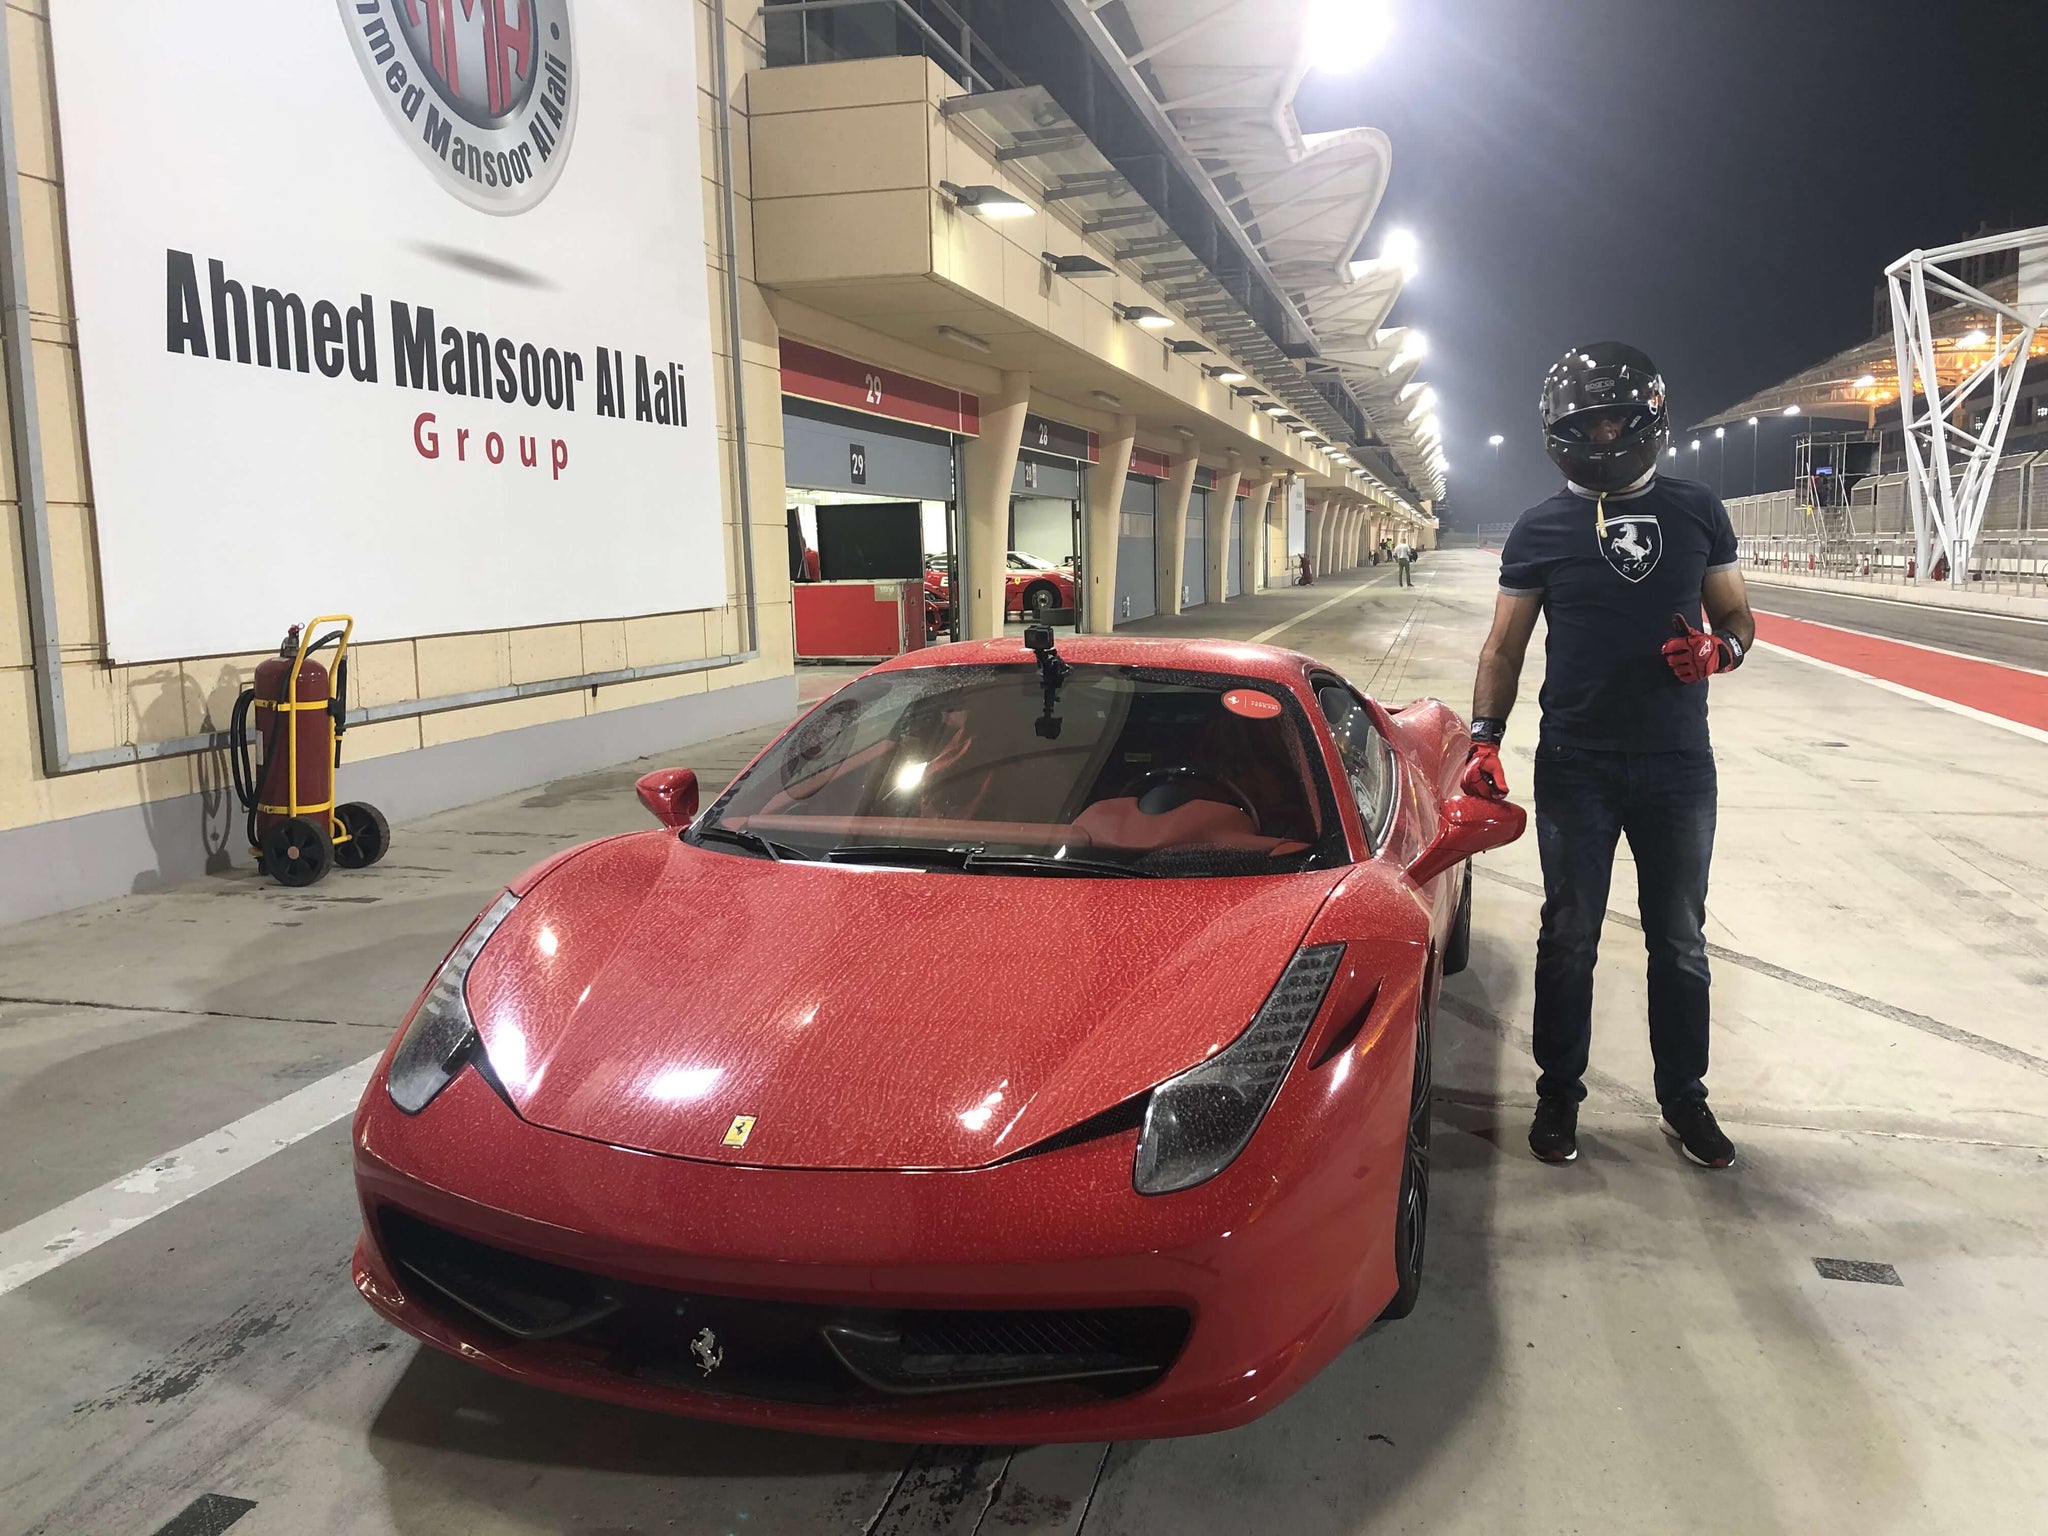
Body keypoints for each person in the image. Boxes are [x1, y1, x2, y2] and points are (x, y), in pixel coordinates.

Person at [1461, 341, 1755, 1170]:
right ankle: (1560, 1096)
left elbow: (1737, 616)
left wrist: (1720, 655)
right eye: (1584, 422)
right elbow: (1503, 647)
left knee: (1681, 941)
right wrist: (1484, 738)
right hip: (1577, 764)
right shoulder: (1541, 525)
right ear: (1559, 430)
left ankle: (1684, 1100)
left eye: (1615, 418)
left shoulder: (1698, 507)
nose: (1601, 434)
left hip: (1676, 765)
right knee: (1569, 938)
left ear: (1649, 418)